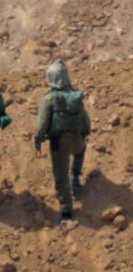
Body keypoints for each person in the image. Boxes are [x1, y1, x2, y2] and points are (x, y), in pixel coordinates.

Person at [34, 60, 92, 222]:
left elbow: (41, 125)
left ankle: (66, 212)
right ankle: (76, 176)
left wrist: (37, 143)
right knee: (81, 150)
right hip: (77, 141)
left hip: (59, 145)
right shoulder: (75, 96)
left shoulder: (49, 98)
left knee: (60, 178)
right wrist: (84, 135)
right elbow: (86, 122)